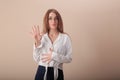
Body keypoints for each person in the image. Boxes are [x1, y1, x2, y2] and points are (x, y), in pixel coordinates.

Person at [31, 9, 72, 80]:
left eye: (56, 18)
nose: (53, 21)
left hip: (57, 73)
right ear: (47, 21)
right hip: (41, 72)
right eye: (50, 18)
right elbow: (37, 59)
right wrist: (37, 42)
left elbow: (69, 58)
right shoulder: (42, 37)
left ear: (59, 21)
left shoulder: (65, 38)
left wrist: (53, 56)